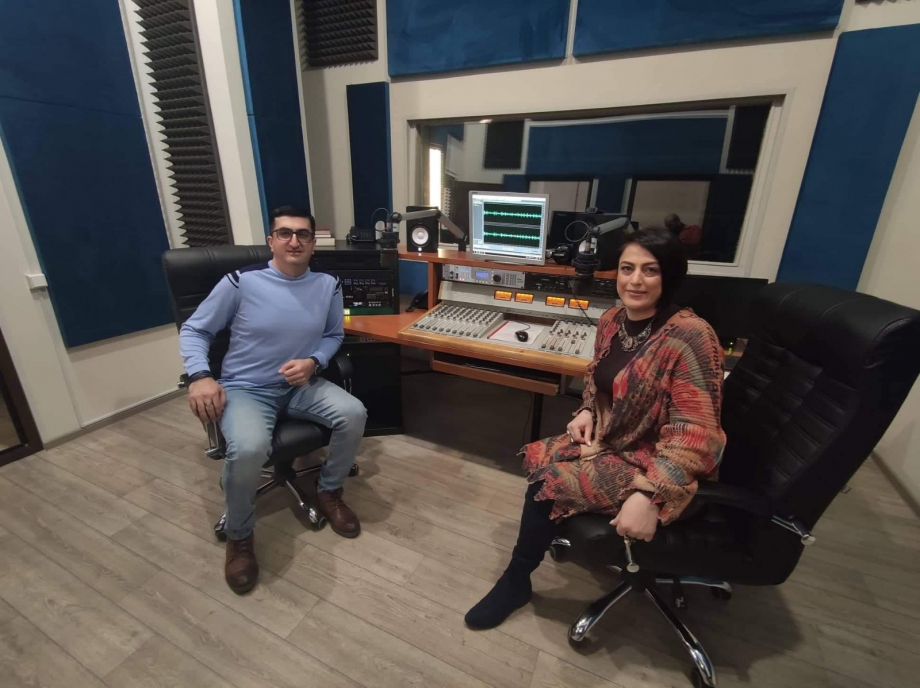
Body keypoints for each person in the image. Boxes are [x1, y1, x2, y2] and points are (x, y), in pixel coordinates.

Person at [465, 226, 725, 630]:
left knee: (547, 484)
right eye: (627, 268)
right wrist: (587, 409)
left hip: (656, 462)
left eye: (650, 270)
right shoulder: (612, 320)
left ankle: (516, 581)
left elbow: (696, 434)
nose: (635, 280)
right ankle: (549, 536)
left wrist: (649, 493)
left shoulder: (691, 336)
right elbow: (596, 377)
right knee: (538, 456)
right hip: (613, 440)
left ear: (669, 275)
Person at [180, 205, 367, 595]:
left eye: (303, 234)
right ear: (271, 241)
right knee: (249, 448)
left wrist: (314, 361)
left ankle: (329, 490)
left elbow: (333, 335)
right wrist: (200, 376)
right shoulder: (240, 283)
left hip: (302, 385)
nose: (294, 241)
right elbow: (195, 330)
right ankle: (239, 536)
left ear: (313, 243)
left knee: (354, 413)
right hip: (247, 388)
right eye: (285, 233)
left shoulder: (328, 285)